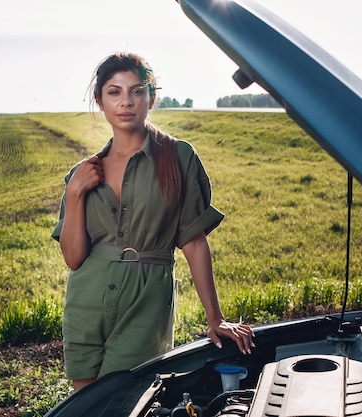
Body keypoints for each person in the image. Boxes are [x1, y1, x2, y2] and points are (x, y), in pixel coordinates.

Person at [51, 52, 254, 391]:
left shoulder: (178, 157)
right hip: (86, 302)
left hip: (147, 300)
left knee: (124, 400)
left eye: (136, 91)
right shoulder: (83, 173)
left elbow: (193, 240)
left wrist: (215, 318)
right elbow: (73, 258)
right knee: (85, 405)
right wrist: (74, 194)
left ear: (151, 98)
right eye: (114, 92)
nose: (126, 102)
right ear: (100, 101)